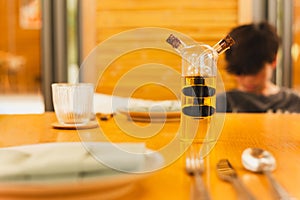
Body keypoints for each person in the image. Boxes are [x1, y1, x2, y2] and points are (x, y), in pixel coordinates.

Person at [216, 22, 300, 113]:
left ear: (274, 60)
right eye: (240, 72)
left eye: (254, 72)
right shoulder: (221, 103)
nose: (248, 80)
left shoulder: (294, 103)